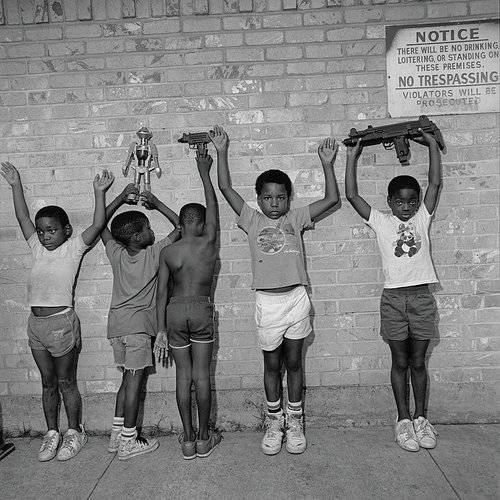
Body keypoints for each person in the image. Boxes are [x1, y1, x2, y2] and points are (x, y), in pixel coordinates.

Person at [212, 125, 340, 455]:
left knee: (294, 363)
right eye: (267, 198)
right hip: (268, 303)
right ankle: (274, 421)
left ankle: (295, 420)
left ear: (288, 199)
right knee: (272, 366)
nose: (274, 203)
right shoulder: (252, 220)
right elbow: (225, 187)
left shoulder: (296, 218)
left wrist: (326, 163)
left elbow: (332, 200)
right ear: (258, 200)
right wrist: (222, 151)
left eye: (280, 197)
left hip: (296, 299)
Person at [1, 161, 114, 462]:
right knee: (47, 383)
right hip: (36, 325)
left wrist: (99, 192)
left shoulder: (73, 248)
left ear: (66, 230)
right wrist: (15, 185)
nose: (44, 236)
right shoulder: (37, 249)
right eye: (41, 231)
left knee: (66, 382)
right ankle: (52, 432)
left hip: (61, 324)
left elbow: (98, 224)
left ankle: (75, 431)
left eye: (51, 230)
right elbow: (23, 217)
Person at [344, 129, 441, 452]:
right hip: (394, 300)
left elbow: (435, 184)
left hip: (422, 298)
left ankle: (421, 418)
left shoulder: (423, 218)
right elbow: (352, 196)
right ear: (390, 202)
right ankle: (403, 420)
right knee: (400, 362)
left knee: (418, 362)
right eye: (400, 201)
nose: (406, 206)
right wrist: (352, 156)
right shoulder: (381, 221)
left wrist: (431, 145)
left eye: (412, 201)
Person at [102, 184, 179, 460]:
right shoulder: (154, 253)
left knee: (126, 380)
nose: (152, 231)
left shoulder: (116, 253)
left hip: (116, 328)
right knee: (135, 383)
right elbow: (182, 225)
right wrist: (156, 203)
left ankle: (116, 435)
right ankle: (129, 441)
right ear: (137, 236)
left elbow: (100, 225)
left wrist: (120, 199)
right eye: (147, 228)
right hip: (137, 330)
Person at [154, 150, 220, 460]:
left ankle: (188, 439)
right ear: (203, 224)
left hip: (175, 312)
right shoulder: (208, 242)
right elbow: (213, 206)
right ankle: (205, 438)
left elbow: (160, 294)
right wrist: (204, 171)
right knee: (202, 376)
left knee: (183, 376)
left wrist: (161, 330)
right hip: (200, 308)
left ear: (180, 224)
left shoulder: (168, 252)